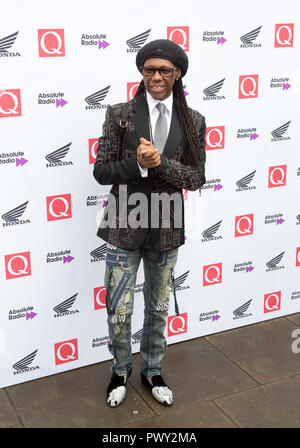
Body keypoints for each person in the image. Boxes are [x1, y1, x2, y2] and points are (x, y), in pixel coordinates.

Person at [93, 39, 206, 407]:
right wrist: (138, 165)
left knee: (158, 306)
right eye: (149, 70)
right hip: (124, 223)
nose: (156, 76)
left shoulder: (194, 121)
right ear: (142, 73)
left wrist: (160, 164)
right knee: (119, 306)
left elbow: (196, 179)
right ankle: (120, 370)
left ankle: (153, 369)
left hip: (167, 227)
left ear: (177, 74)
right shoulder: (119, 114)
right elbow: (101, 171)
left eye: (164, 70)